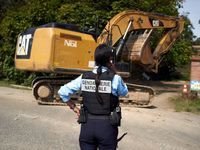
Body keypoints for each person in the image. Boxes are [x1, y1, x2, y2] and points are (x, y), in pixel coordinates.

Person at [58, 44, 128, 150]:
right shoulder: (115, 78)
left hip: (87, 127)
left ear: (95, 58)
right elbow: (124, 92)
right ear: (109, 60)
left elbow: (62, 92)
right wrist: (115, 72)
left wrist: (74, 108)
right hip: (107, 128)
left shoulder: (84, 77)